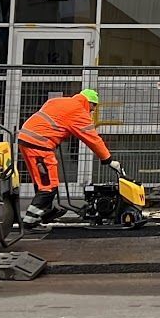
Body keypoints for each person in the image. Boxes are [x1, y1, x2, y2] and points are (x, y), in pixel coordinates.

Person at [17, 89, 120, 230]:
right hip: (40, 145)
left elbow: (53, 121)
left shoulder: (58, 101)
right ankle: (30, 221)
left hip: (26, 139)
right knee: (49, 186)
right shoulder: (78, 111)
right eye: (93, 106)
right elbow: (92, 138)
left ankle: (45, 211)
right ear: (88, 102)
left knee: (42, 181)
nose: (93, 110)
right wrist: (107, 159)